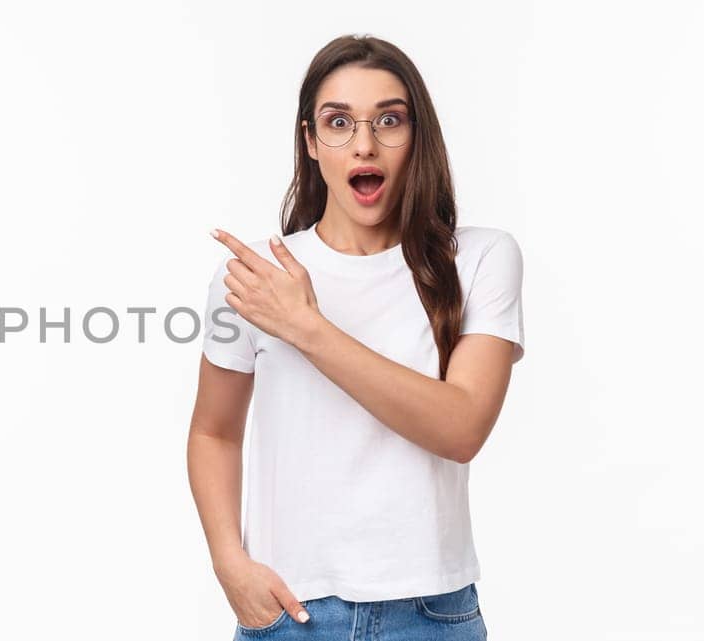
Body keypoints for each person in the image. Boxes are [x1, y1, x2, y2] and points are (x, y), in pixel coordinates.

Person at [186, 34, 525, 640]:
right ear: (310, 142)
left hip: (431, 615)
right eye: (338, 122)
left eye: (388, 120)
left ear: (416, 136)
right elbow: (213, 432)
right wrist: (228, 564)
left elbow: (461, 427)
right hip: (291, 616)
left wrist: (308, 329)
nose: (364, 144)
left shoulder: (479, 259)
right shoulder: (254, 279)